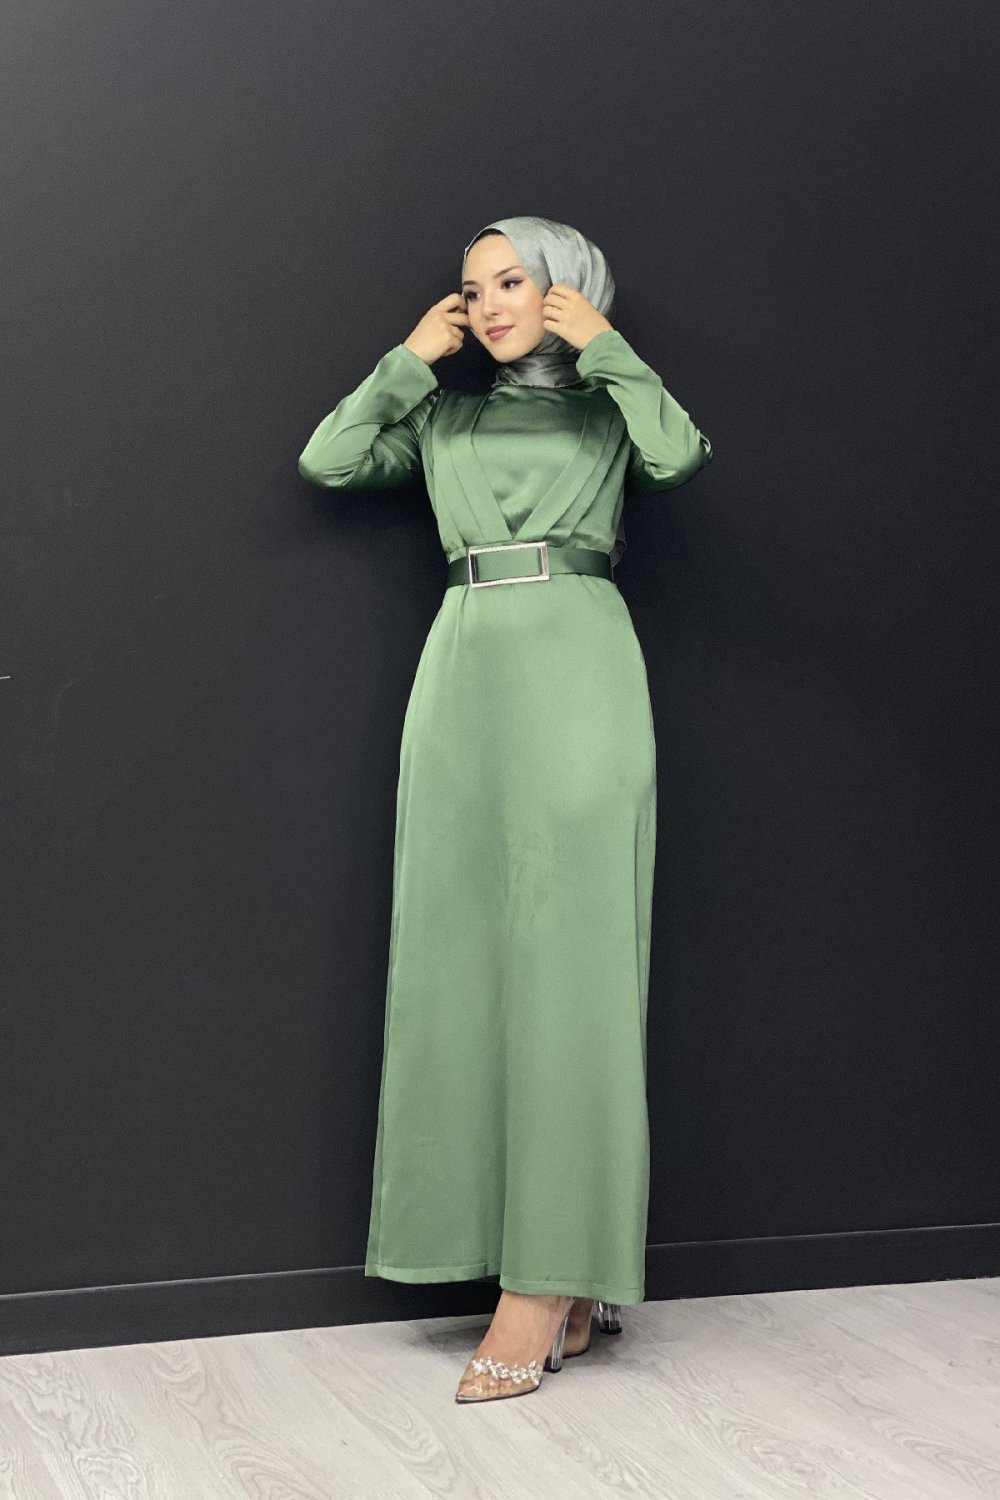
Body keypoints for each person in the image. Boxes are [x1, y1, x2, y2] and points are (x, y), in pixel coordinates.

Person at [298, 214, 713, 1404]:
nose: (486, 303)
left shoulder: (607, 413)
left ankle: (546, 1281)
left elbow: (679, 457)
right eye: (471, 287)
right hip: (464, 672)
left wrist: (611, 349)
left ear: (567, 289)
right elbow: (329, 461)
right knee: (459, 962)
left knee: (576, 969)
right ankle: (549, 1276)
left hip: (579, 665)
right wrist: (406, 361)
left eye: (512, 281)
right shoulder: (448, 418)